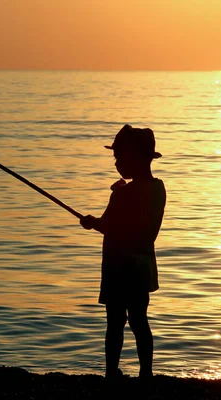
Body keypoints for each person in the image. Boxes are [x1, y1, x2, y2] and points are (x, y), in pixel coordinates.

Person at [80, 124, 166, 380]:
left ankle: (111, 372)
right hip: (142, 265)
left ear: (136, 158)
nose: (117, 163)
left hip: (120, 267)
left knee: (115, 322)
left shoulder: (124, 194)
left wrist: (91, 221)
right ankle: (146, 373)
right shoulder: (158, 188)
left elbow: (109, 226)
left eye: (120, 157)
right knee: (140, 320)